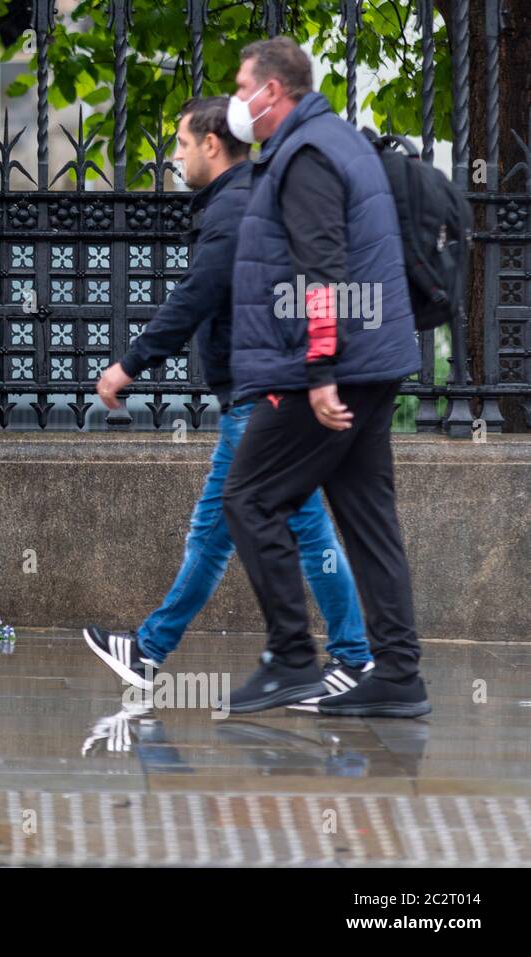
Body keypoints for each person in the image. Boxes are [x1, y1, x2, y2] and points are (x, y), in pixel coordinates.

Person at [84, 97, 372, 699]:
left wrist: (128, 365)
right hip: (263, 392)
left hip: (264, 396)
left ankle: (354, 658)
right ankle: (149, 650)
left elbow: (197, 294)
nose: (177, 156)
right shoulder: (243, 199)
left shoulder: (237, 206)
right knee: (217, 533)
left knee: (302, 531)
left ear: (212, 145)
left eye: (183, 144)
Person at [220, 37, 430, 717]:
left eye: (241, 85)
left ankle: (290, 659)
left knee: (249, 497)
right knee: (369, 520)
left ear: (272, 91)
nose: (236, 100)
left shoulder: (307, 155)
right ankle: (398, 673)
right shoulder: (336, 140)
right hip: (371, 359)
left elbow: (322, 267)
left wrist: (317, 368)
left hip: (335, 365)